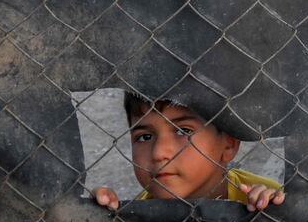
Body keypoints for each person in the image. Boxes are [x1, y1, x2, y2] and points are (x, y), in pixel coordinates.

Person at [93, 91, 285, 213]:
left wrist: (274, 210)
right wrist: (97, 213)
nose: (159, 153)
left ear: (228, 145)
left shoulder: (260, 197)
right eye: (145, 137)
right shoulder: (135, 214)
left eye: (183, 131)